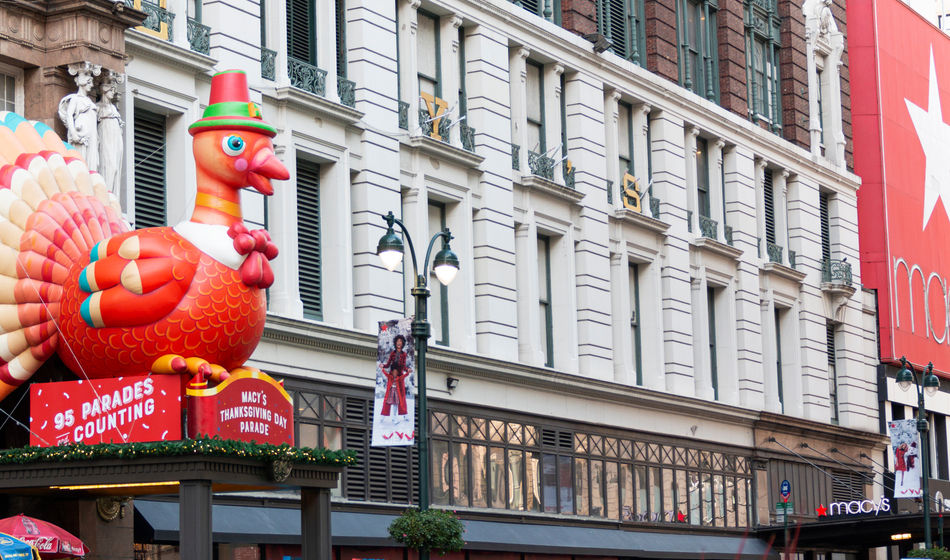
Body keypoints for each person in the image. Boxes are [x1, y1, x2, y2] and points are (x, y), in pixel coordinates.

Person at [58, 63, 101, 171]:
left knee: (91, 163)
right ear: (83, 83)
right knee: (81, 163)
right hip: (81, 135)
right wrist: (73, 133)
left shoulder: (89, 101)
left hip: (91, 136)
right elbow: (68, 115)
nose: (91, 86)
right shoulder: (75, 99)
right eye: (89, 83)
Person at [97, 73, 124, 193]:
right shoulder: (98, 107)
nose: (113, 92)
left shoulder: (114, 108)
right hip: (106, 137)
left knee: (116, 168)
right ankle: (106, 192)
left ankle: (113, 194)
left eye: (114, 89)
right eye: (111, 89)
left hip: (116, 139)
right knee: (109, 165)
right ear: (104, 90)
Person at [380, 335, 411, 417]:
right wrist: (383, 366)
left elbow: (404, 366)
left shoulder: (404, 354)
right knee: (389, 396)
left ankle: (404, 414)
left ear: (403, 343)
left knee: (402, 396)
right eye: (397, 341)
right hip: (392, 376)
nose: (399, 343)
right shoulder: (392, 353)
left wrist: (407, 370)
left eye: (400, 341)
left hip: (400, 376)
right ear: (395, 343)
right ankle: (384, 414)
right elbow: (388, 364)